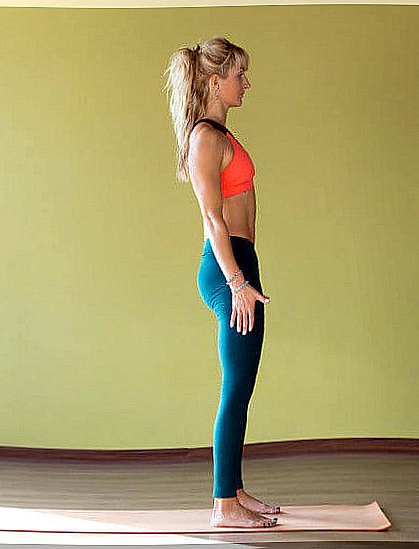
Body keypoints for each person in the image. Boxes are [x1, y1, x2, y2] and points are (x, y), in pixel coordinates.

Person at [163, 36, 280, 529]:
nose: (246, 83)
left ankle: (234, 489)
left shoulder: (220, 136)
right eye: (239, 74)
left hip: (241, 263)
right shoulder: (205, 138)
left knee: (243, 385)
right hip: (227, 265)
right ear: (215, 81)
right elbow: (211, 216)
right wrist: (236, 280)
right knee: (235, 388)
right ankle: (223, 506)